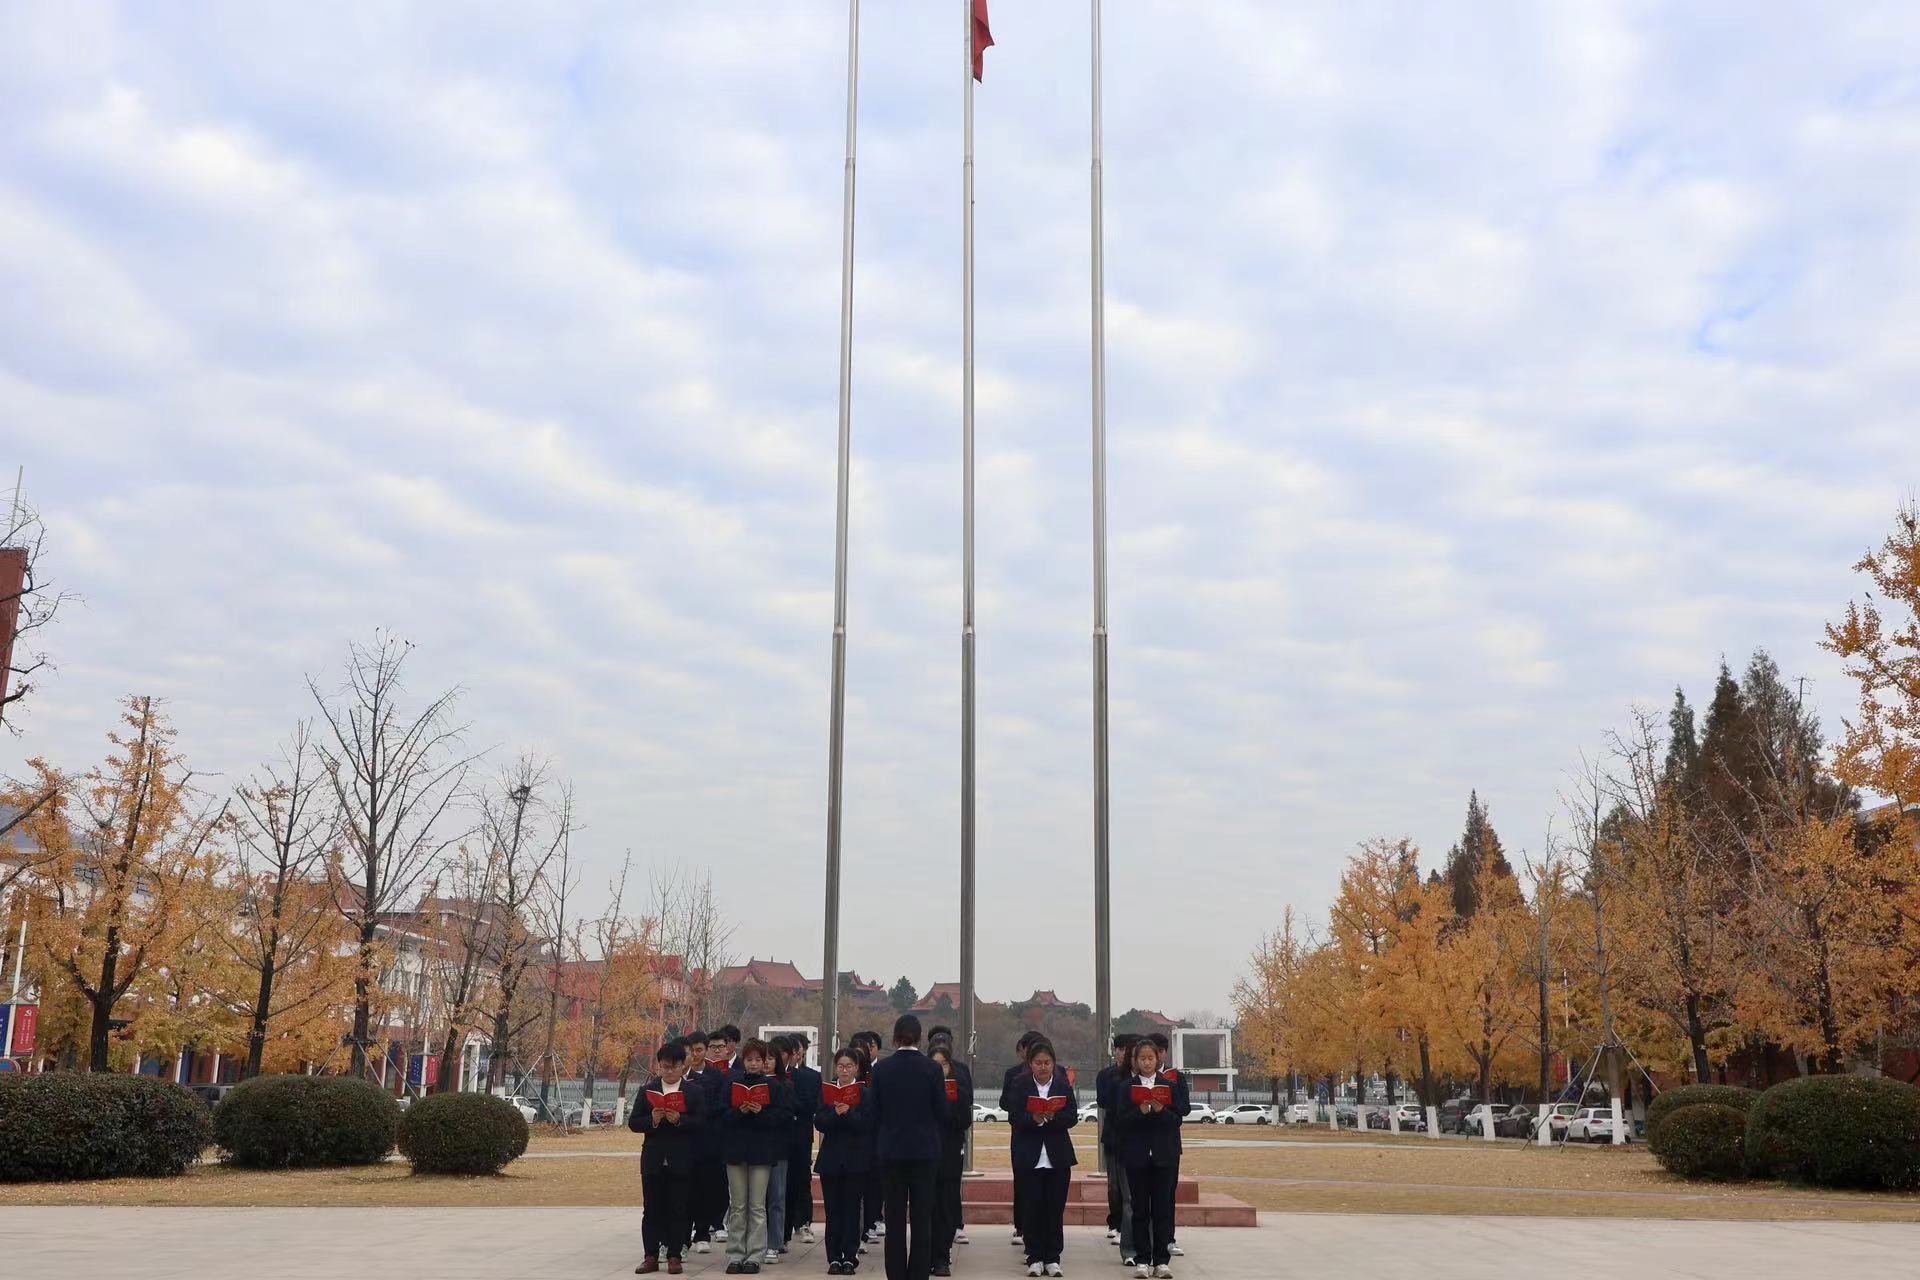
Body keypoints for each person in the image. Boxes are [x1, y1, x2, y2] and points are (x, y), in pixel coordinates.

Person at [869, 1014, 946, 1280]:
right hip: (925, 1153)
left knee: (894, 1221)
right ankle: (918, 1274)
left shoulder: (881, 1069)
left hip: (891, 1152)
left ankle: (896, 1274)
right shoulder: (932, 1069)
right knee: (922, 1220)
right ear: (920, 1038)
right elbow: (942, 1112)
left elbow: (873, 1113)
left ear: (894, 1038)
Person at [1110, 1037, 1189, 1279]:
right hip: (1137, 1155)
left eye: (1150, 1058)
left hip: (1164, 1155)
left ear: (1158, 1059)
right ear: (1135, 1061)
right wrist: (1140, 1111)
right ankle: (1142, 1259)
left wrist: (1161, 1110)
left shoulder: (1169, 1085)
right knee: (1140, 1209)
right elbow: (1120, 1122)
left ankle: (1161, 1261)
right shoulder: (1126, 1087)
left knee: (1162, 1209)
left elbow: (1177, 1120)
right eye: (1142, 1058)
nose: (1146, 1062)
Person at [631, 1039, 708, 1276]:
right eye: (664, 1066)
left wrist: (680, 1120)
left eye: (673, 1067)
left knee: (679, 1208)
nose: (669, 1071)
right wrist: (652, 1120)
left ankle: (675, 1255)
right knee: (651, 1209)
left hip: (681, 1158)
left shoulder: (693, 1092)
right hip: (653, 1159)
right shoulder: (648, 1090)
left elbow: (702, 1122)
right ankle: (650, 1256)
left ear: (683, 1066)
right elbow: (634, 1122)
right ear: (659, 1066)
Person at [719, 1038, 795, 1275]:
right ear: (743, 1061)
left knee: (757, 1205)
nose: (753, 1064)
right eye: (749, 1059)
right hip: (736, 1151)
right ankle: (735, 1253)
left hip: (762, 1152)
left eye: (758, 1060)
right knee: (738, 1205)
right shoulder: (732, 1084)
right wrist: (739, 1111)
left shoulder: (775, 1087)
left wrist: (761, 1112)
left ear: (765, 1062)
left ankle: (755, 1254)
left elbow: (783, 1117)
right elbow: (720, 1115)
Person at [1007, 1040, 1077, 1278]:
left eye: (1047, 1062)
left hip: (1057, 1157)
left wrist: (1053, 1117)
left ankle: (1053, 1258)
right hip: (1030, 1156)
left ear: (1053, 1063)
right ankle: (1035, 1257)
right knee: (1032, 1209)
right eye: (1038, 1063)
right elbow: (1014, 1116)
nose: (1043, 1067)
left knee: (1054, 1210)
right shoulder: (1021, 1085)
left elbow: (1072, 1116)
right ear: (1030, 1064)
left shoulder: (1062, 1085)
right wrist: (1034, 1118)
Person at [815, 1046, 874, 1275]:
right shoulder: (827, 1092)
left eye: (849, 1066)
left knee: (851, 1209)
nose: (845, 1070)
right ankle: (833, 1257)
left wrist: (849, 1113)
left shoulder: (865, 1094)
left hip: (855, 1160)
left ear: (856, 1068)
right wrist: (835, 1113)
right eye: (841, 1066)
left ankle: (850, 1256)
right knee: (833, 1210)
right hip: (831, 1159)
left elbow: (867, 1125)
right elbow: (820, 1122)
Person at [926, 1044, 972, 1277]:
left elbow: (964, 1121)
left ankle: (942, 1257)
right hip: (925, 1154)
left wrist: (949, 1104)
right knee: (926, 1208)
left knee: (945, 1208)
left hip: (949, 1153)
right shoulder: (921, 1088)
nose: (939, 1068)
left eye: (943, 1064)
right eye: (935, 1064)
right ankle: (925, 1257)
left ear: (950, 1066)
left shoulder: (959, 1090)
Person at [1096, 1034, 1141, 1262]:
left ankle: (1133, 1233)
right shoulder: (1110, 1076)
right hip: (1115, 1137)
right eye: (1121, 1049)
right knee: (1116, 1187)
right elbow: (1105, 1102)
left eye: (1129, 1050)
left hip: (1141, 1141)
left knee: (1134, 1193)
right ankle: (1116, 1224)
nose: (1125, 1054)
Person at [998, 1031, 1044, 1250]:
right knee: (1022, 1181)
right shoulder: (1013, 1074)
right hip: (1022, 1132)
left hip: (1047, 1133)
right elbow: (1004, 1102)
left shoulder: (1056, 1072)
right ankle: (1021, 1226)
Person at [1145, 1033, 1186, 1258]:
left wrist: (1166, 1101)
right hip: (1143, 1144)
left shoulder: (1175, 1077)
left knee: (1167, 1195)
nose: (1157, 1057)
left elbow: (1184, 1108)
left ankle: (1168, 1238)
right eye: (1154, 1052)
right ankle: (1145, 1242)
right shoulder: (1138, 1078)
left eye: (1161, 1052)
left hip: (1168, 1143)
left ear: (1165, 1053)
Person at [786, 1034, 822, 1247]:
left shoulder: (811, 1077)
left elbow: (812, 1105)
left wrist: (791, 1103)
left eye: (799, 1051)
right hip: (780, 1136)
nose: (796, 1055)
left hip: (801, 1135)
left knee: (802, 1179)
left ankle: (803, 1222)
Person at [852, 1031, 886, 1243]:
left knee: (872, 1186)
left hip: (871, 1139)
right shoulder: (839, 1081)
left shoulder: (876, 1077)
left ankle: (870, 1224)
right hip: (849, 1141)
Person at [765, 1036, 794, 1265]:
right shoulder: (746, 1082)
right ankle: (755, 1242)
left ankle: (775, 1243)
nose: (765, 1062)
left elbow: (787, 1115)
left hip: (778, 1148)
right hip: (753, 1147)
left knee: (777, 1197)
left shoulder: (785, 1085)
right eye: (760, 1058)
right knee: (754, 1202)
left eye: (770, 1058)